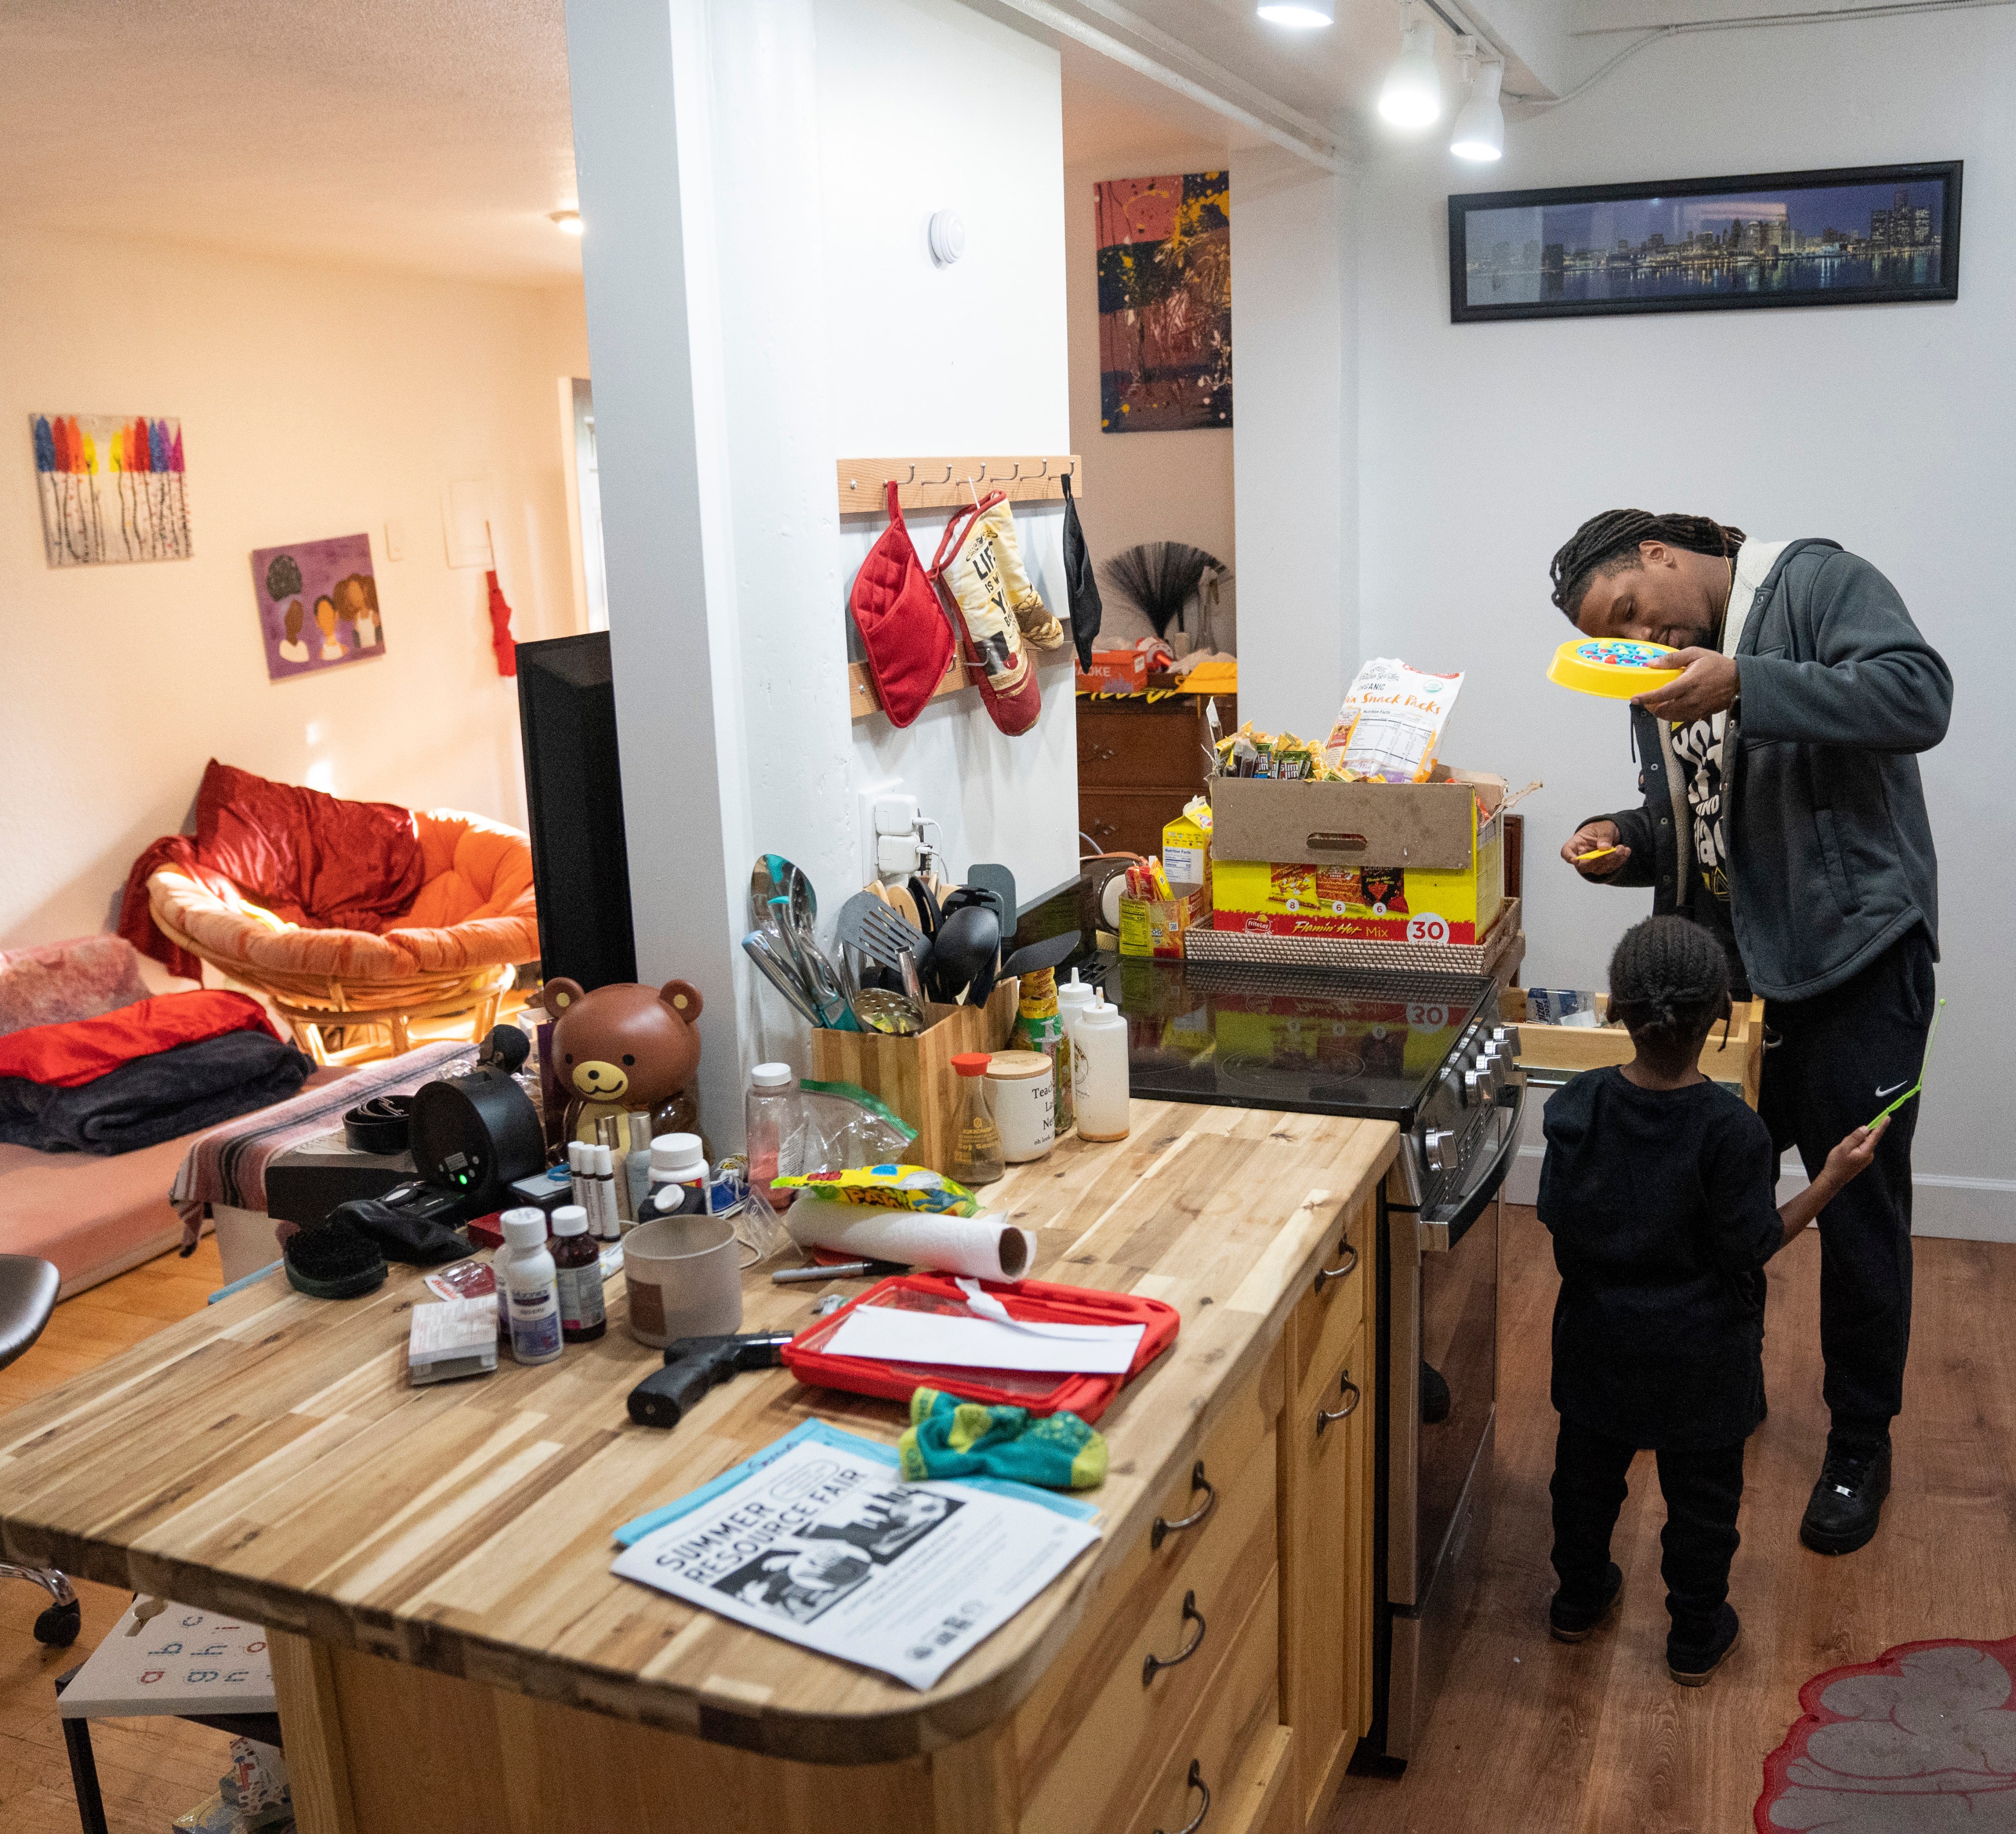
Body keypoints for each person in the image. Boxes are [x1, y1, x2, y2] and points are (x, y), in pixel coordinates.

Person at [1548, 509, 1949, 1556]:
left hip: (1855, 964)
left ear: (1662, 554)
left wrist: (1749, 684)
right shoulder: (1661, 677)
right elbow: (1696, 820)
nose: (1640, 638)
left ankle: (1860, 1444)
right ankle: (1733, 1389)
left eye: (1633, 609)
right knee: (1705, 1204)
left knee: (1858, 1218)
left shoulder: (1815, 584)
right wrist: (1622, 842)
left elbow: (1920, 695)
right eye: (1616, 636)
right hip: (1729, 986)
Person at [1541, 916, 1885, 1685]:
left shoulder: (1576, 1106)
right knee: (1702, 1504)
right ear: (1722, 1021)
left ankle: (1576, 1598)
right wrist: (1830, 1178)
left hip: (1595, 1341)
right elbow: (1753, 1244)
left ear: (1616, 1010)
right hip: (1704, 1359)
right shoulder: (1736, 1132)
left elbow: (1561, 1224)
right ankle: (1696, 1634)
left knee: (1584, 1483)